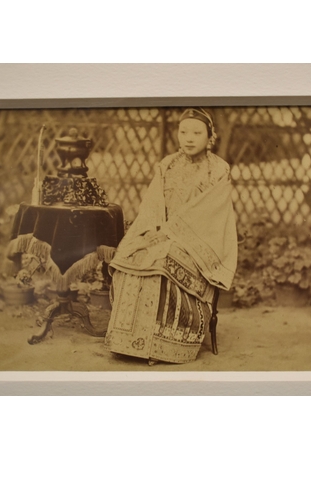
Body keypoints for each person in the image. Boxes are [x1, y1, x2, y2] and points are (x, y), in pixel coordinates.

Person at [99, 108, 238, 364]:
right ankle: (128, 342)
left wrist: (171, 235)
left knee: (162, 259)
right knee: (132, 254)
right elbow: (152, 205)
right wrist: (151, 230)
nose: (189, 138)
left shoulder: (218, 170)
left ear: (210, 136)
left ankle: (160, 344)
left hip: (197, 244)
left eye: (197, 132)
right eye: (184, 131)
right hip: (162, 233)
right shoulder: (168, 165)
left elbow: (210, 215)